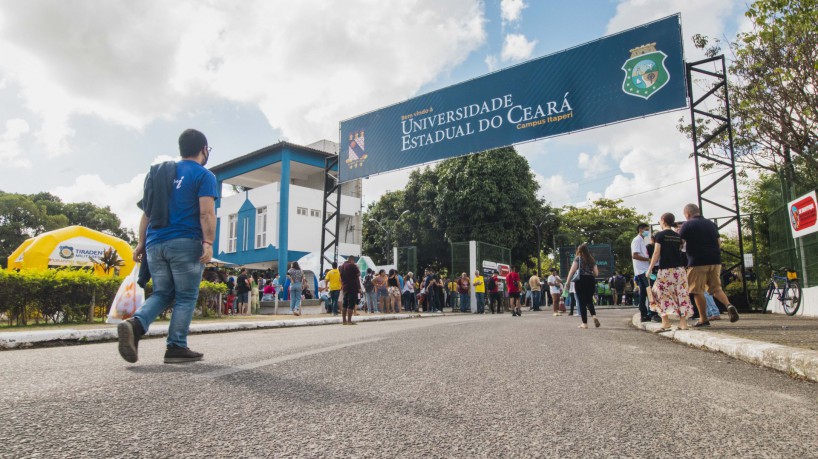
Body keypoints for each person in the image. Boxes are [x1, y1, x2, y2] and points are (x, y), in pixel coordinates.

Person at [118, 128, 217, 364]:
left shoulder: (159, 174)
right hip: (184, 242)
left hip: (155, 243)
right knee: (185, 295)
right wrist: (209, 242)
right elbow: (206, 213)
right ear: (204, 149)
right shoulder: (204, 175)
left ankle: (136, 324)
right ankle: (176, 346)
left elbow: (146, 214)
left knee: (163, 292)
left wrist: (141, 243)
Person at [679, 203, 740, 326]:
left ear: (687, 214)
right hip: (715, 260)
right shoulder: (711, 224)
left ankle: (703, 319)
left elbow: (680, 243)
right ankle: (728, 305)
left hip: (697, 261)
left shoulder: (687, 225)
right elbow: (718, 243)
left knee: (697, 290)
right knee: (716, 288)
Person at [647, 213, 693, 331]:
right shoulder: (678, 236)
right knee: (681, 294)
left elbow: (656, 253)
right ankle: (683, 323)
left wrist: (650, 269)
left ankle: (665, 321)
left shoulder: (660, 235)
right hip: (679, 269)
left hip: (665, 270)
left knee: (658, 294)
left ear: (663, 220)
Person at [565, 244, 601, 329]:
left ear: (579, 251)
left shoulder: (578, 259)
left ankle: (584, 324)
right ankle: (594, 316)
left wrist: (567, 282)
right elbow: (596, 273)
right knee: (589, 300)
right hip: (590, 280)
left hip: (580, 280)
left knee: (581, 302)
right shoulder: (592, 260)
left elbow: (572, 271)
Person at [632, 223, 658, 323]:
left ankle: (644, 314)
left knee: (644, 293)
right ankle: (653, 313)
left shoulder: (641, 240)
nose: (648, 232)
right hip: (642, 271)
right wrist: (649, 259)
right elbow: (635, 255)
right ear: (641, 230)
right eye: (646, 229)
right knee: (650, 291)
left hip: (644, 270)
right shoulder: (637, 240)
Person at [339, 255, 361, 325]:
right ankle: (349, 321)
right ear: (352, 260)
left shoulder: (342, 266)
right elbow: (358, 274)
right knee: (351, 304)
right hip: (353, 287)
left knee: (344, 304)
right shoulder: (352, 265)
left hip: (345, 287)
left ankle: (344, 321)